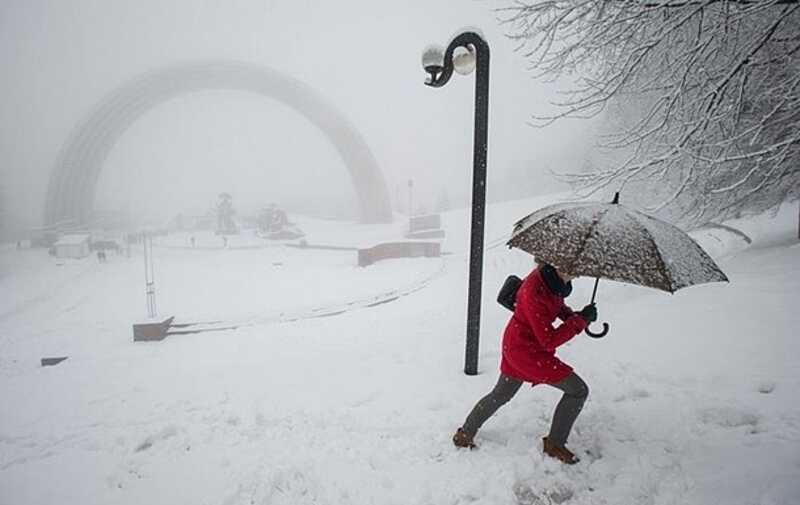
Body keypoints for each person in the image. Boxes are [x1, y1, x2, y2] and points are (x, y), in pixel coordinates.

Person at [452, 262, 598, 464]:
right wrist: (579, 322)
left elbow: (555, 305)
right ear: (559, 264)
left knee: (501, 394)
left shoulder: (551, 281)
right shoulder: (535, 292)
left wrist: (574, 316)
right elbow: (548, 340)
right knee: (578, 390)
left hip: (517, 345)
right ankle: (555, 444)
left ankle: (465, 433)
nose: (580, 273)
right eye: (576, 270)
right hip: (528, 353)